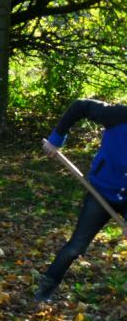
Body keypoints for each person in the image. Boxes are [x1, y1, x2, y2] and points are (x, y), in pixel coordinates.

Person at [35, 98, 127, 302]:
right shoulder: (118, 115)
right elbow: (80, 106)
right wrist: (56, 139)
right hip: (101, 192)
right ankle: (46, 288)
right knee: (76, 246)